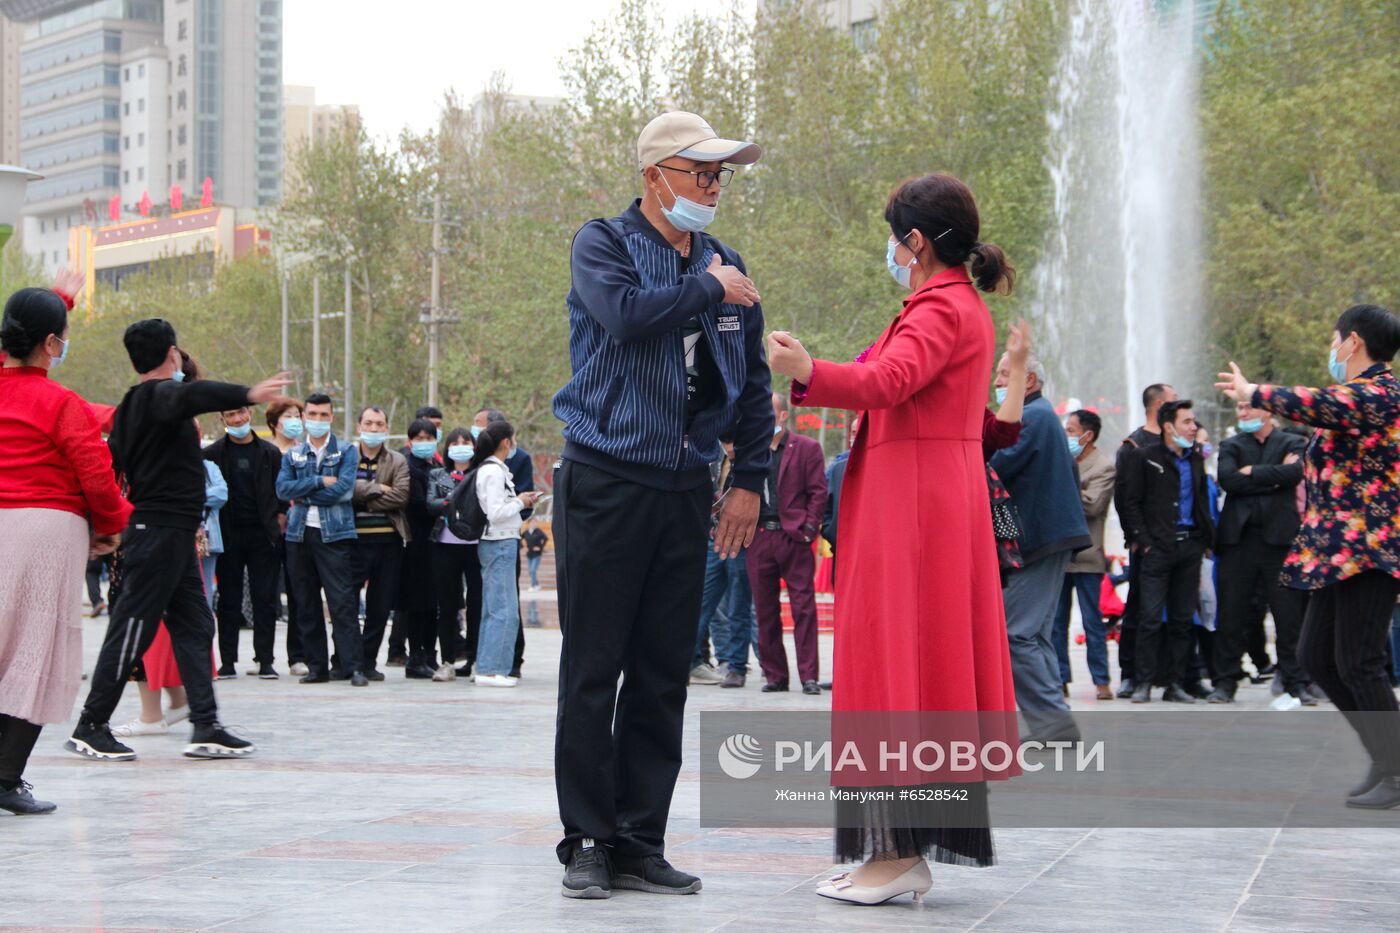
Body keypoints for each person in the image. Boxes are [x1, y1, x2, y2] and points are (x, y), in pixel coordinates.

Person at [768, 171, 1021, 904]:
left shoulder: (941, 309)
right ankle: (894, 851)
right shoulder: (948, 305)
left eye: (893, 235)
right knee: (913, 676)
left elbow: (887, 381)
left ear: (914, 242)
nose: (890, 248)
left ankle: (895, 853)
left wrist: (804, 368)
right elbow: (890, 377)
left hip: (914, 512)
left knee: (895, 678)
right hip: (921, 504)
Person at [551, 110, 769, 899]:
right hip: (606, 482)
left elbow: (751, 383)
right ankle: (586, 838)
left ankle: (641, 836)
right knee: (592, 667)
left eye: (720, 176)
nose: (713, 188)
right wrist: (706, 287)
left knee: (661, 672)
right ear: (654, 177)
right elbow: (627, 317)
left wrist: (751, 477)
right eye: (700, 172)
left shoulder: (726, 261)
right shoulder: (602, 244)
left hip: (686, 489)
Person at [67, 319, 288, 762]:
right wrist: (248, 393)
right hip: (158, 532)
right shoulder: (158, 395)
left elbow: (112, 466)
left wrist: (104, 522)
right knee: (132, 628)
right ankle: (91, 725)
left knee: (196, 624)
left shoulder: (134, 404)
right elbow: (192, 395)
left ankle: (205, 724)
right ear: (171, 354)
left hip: (172, 534)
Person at [1217, 304, 1400, 807]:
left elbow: (1320, 405)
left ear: (1353, 342)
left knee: (1359, 662)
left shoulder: (1380, 394)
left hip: (1367, 550)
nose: (1332, 348)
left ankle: (1396, 768)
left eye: (1334, 338)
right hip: (1336, 551)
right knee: (1316, 655)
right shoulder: (1357, 397)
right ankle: (1386, 757)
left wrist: (1256, 393)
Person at [0, 282, 130, 813]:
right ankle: (6, 779)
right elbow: (97, 477)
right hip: (47, 531)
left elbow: (25, 332)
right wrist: (113, 524)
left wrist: (59, 299)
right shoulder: (61, 403)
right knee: (34, 651)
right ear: (53, 344)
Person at [989, 352, 1091, 739]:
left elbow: (993, 462)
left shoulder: (1031, 417)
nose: (998, 384)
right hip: (1045, 539)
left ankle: (1053, 724)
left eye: (1004, 375)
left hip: (1039, 540)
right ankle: (1056, 725)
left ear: (1027, 381)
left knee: (1015, 634)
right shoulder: (1041, 415)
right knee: (1033, 635)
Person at [1207, 400, 1307, 704]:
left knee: (1289, 617)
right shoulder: (1232, 444)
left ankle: (1295, 681)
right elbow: (1229, 479)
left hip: (1281, 541)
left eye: (1248, 408)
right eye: (1238, 408)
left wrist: (1254, 473)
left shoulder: (1293, 442)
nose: (1242, 414)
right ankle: (1225, 681)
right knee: (1232, 614)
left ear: (1268, 411)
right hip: (1240, 541)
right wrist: (1274, 476)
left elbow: (1295, 475)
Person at [1118, 400, 1215, 703]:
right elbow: (1129, 502)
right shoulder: (1144, 457)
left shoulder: (1195, 459)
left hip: (1190, 547)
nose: (1193, 427)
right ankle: (1144, 681)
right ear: (1169, 426)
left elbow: (1200, 501)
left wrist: (1206, 540)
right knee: (1149, 616)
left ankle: (1175, 683)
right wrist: (1144, 541)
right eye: (1187, 421)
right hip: (1157, 548)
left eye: (1193, 421)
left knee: (1182, 619)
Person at [275, 393, 366, 686]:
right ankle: (317, 667)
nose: (316, 420)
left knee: (342, 601)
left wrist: (305, 494)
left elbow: (343, 490)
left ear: (331, 417)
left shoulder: (347, 451)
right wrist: (316, 481)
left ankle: (353, 666)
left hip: (335, 534)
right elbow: (282, 490)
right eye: (311, 414)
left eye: (322, 415)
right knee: (306, 601)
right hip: (298, 535)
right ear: (304, 417)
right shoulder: (294, 454)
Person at [748, 393, 828, 695]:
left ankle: (809, 676)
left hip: (794, 537)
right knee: (765, 611)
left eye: (769, 412)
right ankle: (775, 675)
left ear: (782, 417)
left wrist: (808, 529)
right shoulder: (751, 450)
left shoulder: (806, 448)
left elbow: (818, 492)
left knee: (803, 608)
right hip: (760, 538)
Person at [204, 403, 286, 679]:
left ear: (251, 413)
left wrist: (280, 516)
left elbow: (282, 490)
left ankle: (265, 660)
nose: (237, 418)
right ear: (222, 418)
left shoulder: (270, 453)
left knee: (265, 598)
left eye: (241, 412)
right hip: (228, 534)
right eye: (230, 414)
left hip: (263, 535)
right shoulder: (213, 454)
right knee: (228, 599)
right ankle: (227, 661)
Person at [1113, 382, 1177, 697]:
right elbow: (1123, 497)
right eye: (1174, 401)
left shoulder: (1178, 443)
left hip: (1177, 542)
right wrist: (1136, 537)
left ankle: (1169, 674)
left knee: (1176, 611)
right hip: (1147, 542)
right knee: (1139, 608)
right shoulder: (1133, 445)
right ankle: (1130, 672)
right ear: (1159, 405)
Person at [344, 406, 411, 681]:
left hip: (388, 542)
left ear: (386, 428)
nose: (373, 429)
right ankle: (347, 660)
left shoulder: (397, 460)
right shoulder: (346, 457)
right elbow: (342, 489)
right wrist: (376, 488)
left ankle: (368, 661)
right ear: (359, 426)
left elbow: (400, 496)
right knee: (346, 603)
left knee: (380, 606)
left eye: (379, 424)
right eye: (368, 423)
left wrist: (360, 494)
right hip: (351, 540)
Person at [471, 422, 540, 687]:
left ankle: (488, 667)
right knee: (504, 610)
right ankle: (492, 671)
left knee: (495, 608)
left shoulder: (494, 470)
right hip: (498, 542)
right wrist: (520, 502)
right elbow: (495, 512)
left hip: (502, 542)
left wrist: (520, 500)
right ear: (505, 443)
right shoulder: (492, 472)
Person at [1054, 410, 1116, 701]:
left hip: (1089, 556)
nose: (1066, 435)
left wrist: (1062, 488)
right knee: (1056, 623)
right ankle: (1059, 678)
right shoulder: (1061, 461)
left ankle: (1101, 681)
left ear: (1087, 435)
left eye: (1070, 430)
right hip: (1059, 555)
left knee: (1093, 622)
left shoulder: (1103, 466)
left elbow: (1092, 506)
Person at [691, 428, 756, 689]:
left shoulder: (752, 464)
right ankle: (690, 660)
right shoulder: (715, 460)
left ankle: (736, 666)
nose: (729, 447)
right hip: (713, 538)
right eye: (726, 442)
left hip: (741, 542)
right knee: (701, 603)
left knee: (738, 607)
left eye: (733, 441)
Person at [426, 428, 478, 680]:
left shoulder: (481, 473)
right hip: (445, 545)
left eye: (466, 442)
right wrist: (453, 500)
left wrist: (450, 502)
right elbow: (431, 504)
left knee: (476, 605)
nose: (460, 446)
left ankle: (475, 659)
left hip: (476, 545)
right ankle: (446, 660)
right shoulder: (437, 474)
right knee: (446, 605)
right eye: (455, 442)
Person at [265, 397, 307, 675]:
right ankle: (264, 657)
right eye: (288, 415)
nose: (295, 421)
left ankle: (297, 656)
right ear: (274, 422)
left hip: (298, 530)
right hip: (269, 530)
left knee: (298, 594)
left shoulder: (304, 451)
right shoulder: (264, 452)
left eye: (297, 415)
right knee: (267, 594)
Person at [396, 418, 440, 679]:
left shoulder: (435, 465)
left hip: (434, 543)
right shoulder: (408, 466)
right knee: (416, 602)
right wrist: (441, 506)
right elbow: (417, 504)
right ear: (410, 440)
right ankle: (415, 656)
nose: (424, 442)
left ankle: (428, 653)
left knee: (431, 602)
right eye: (419, 438)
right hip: (415, 542)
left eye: (429, 437)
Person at [522, 520, 548, 591]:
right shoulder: (526, 532)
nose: (534, 524)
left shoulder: (538, 531)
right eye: (532, 522)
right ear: (529, 523)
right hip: (529, 554)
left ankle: (533, 586)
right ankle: (537, 585)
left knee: (533, 570)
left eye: (535, 522)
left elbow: (546, 538)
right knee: (530, 571)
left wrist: (540, 547)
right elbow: (520, 538)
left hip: (537, 554)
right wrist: (523, 547)